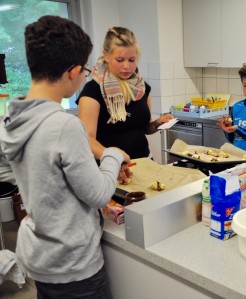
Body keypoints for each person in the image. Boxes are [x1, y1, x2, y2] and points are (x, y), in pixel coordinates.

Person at [0, 16, 129, 298]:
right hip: (73, 266)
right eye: (84, 69)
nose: (85, 75)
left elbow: (50, 184)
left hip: (41, 256)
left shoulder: (13, 118)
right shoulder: (63, 126)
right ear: (72, 71)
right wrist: (112, 155)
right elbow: (97, 194)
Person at [77, 27, 172, 182]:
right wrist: (115, 158)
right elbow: (87, 140)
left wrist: (157, 124)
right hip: (110, 171)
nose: (126, 66)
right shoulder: (93, 91)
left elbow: (144, 128)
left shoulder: (142, 88)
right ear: (106, 56)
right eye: (120, 60)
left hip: (145, 164)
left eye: (132, 60)